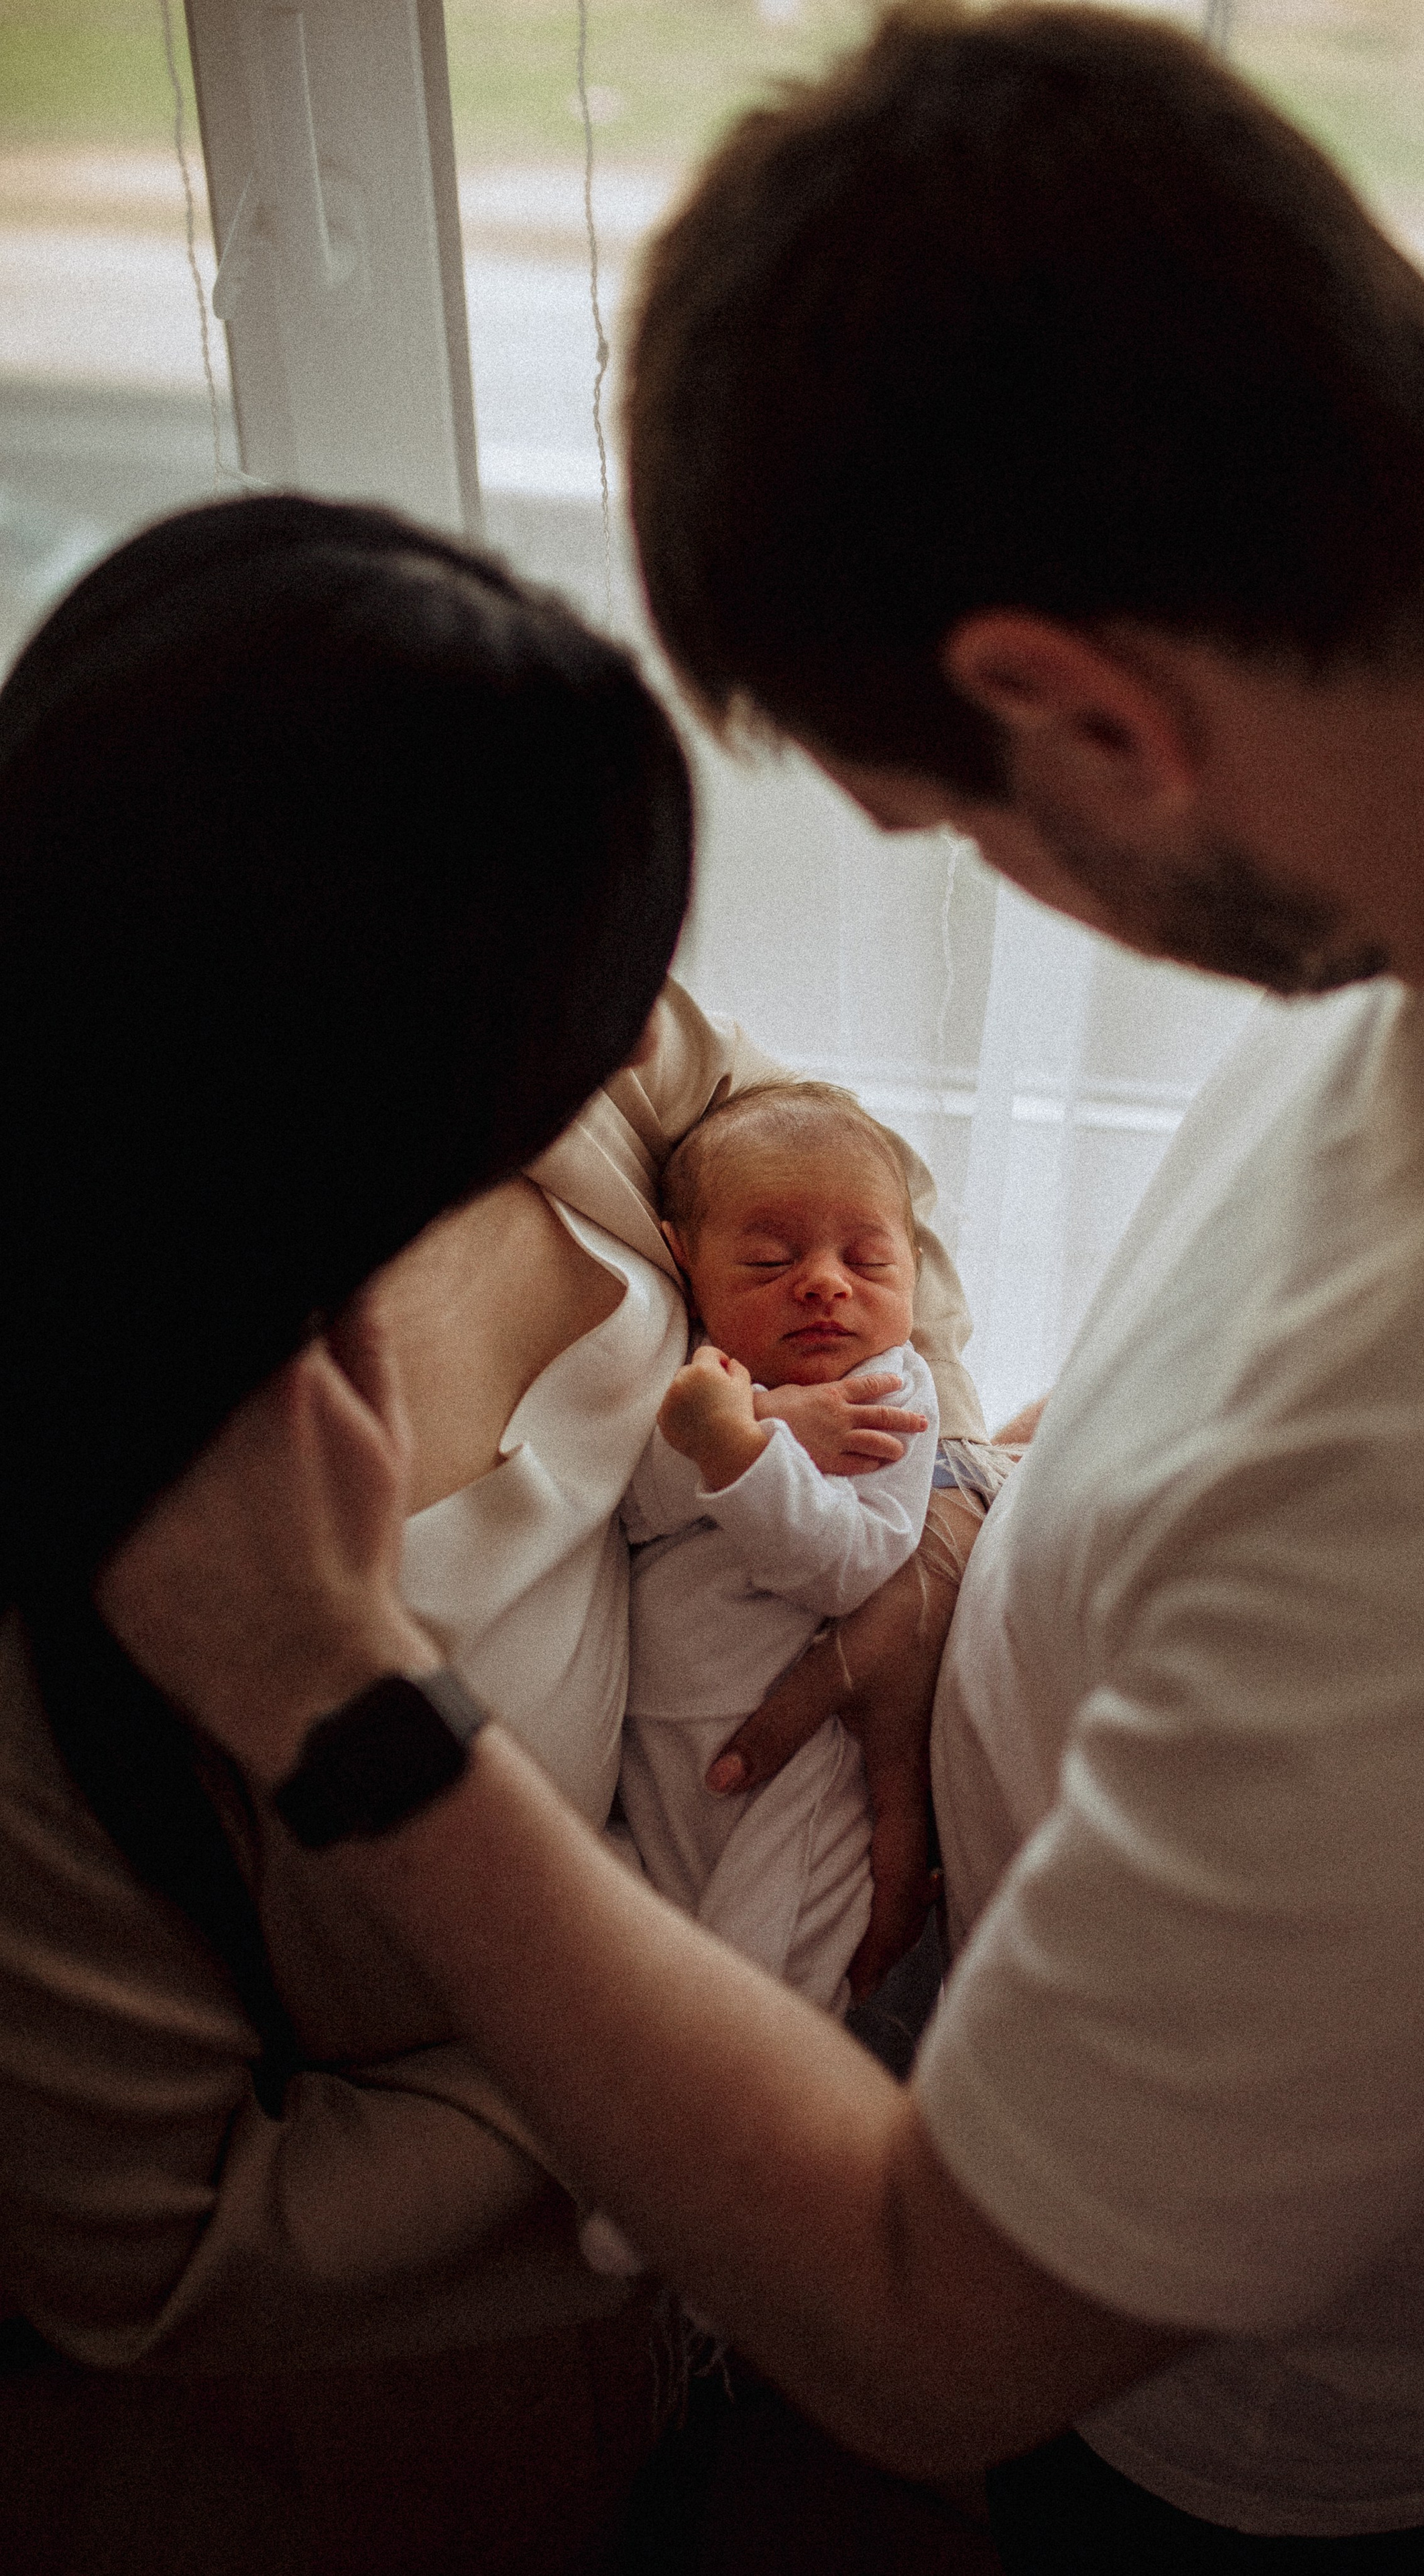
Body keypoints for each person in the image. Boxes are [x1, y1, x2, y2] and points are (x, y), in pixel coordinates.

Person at [86, 7, 1424, 2572]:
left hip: (1267, 2447)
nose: (1007, 890)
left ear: (1082, 711)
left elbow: (928, 2322)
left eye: (960, 825)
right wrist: (969, 1518)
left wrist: (336, 1701)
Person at [0, 490, 984, 2575]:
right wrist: (695, 2030)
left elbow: (846, 1195)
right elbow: (159, 2246)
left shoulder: (546, 1013)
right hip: (394, 2394)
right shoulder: (88, 1572)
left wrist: (927, 1529)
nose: (638, 1032)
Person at [617, 1082, 939, 2017]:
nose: (826, 1282)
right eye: (768, 1259)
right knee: (645, 1971)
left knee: (761, 1993)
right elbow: (636, 1509)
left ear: (914, 1266)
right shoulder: (696, 1370)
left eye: (870, 1258)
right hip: (657, 1751)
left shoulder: (894, 1389)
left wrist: (746, 1451)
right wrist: (748, 1415)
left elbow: (853, 1563)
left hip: (799, 1768)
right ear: (687, 1262)